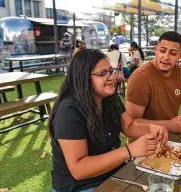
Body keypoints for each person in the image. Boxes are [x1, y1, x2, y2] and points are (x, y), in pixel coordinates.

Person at [49, 49, 168, 192]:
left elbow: (128, 126)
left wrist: (151, 128)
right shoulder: (69, 111)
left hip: (113, 173)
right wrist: (130, 150)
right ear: (83, 78)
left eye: (110, 71)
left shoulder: (110, 97)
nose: (112, 77)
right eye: (102, 74)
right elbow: (79, 169)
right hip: (80, 186)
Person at [126, 31, 181, 134]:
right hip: (144, 142)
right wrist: (169, 125)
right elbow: (131, 124)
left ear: (180, 55)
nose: (166, 57)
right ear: (156, 50)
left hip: (171, 138)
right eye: (162, 51)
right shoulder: (140, 78)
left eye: (173, 53)